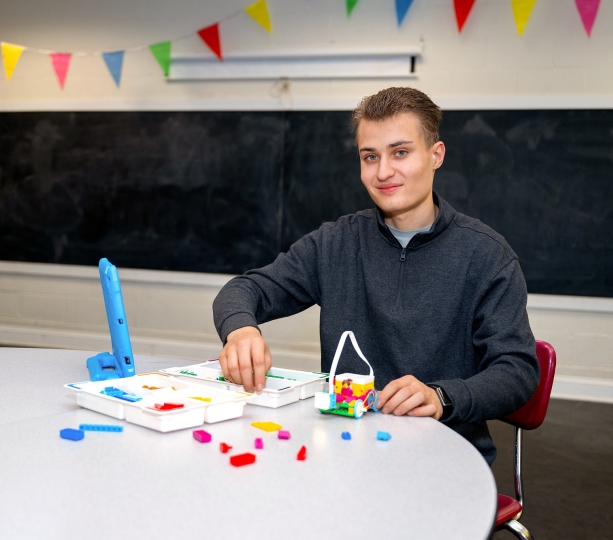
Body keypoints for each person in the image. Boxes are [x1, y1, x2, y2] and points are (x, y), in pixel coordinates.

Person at [212, 87, 539, 465]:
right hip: (344, 449)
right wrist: (241, 329)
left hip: (444, 458)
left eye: (400, 152)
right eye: (370, 157)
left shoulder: (487, 255)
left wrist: (441, 396)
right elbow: (244, 290)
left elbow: (517, 371)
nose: (383, 172)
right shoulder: (334, 242)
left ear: (436, 156)